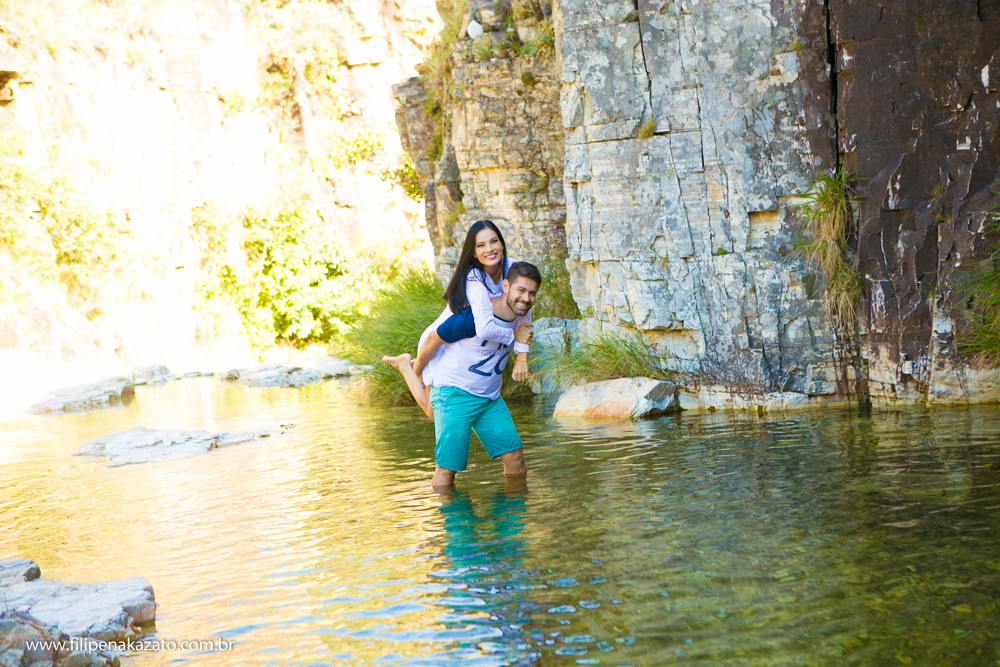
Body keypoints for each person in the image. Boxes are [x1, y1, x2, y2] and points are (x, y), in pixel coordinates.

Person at [384, 261, 542, 489]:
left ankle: (513, 509)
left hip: (489, 398)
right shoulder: (473, 318)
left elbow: (524, 334)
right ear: (505, 286)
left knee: (515, 459)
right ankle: (406, 367)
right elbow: (432, 339)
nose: (526, 298)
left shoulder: (522, 317)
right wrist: (418, 370)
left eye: (532, 293)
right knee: (448, 468)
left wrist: (521, 358)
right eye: (521, 290)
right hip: (454, 390)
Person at [409, 220, 534, 382]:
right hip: (442, 337)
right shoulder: (474, 277)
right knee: (426, 394)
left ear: (502, 244)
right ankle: (407, 367)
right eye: (481, 245)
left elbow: (523, 311)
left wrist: (521, 357)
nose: (489, 249)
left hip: (466, 342)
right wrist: (515, 334)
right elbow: (485, 330)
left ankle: (407, 365)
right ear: (474, 253)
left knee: (438, 398)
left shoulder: (512, 267)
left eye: (494, 241)